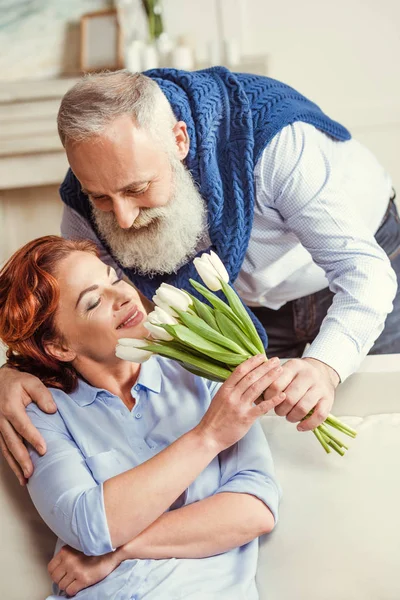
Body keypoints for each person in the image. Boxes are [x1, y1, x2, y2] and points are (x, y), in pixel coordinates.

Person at [1, 68, 399, 485]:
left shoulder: (276, 142)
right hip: (243, 310)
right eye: (101, 196)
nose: (122, 216)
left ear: (179, 139)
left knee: (381, 416)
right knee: (270, 440)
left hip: (362, 269)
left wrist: (323, 366)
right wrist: (12, 372)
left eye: (136, 188)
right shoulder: (86, 204)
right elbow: (68, 326)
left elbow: (363, 272)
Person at [0, 235, 282, 599]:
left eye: (113, 278)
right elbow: (88, 524)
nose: (122, 297)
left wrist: (119, 550)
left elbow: (255, 510)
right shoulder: (43, 412)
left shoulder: (204, 372)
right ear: (60, 346)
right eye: (94, 301)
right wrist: (208, 436)